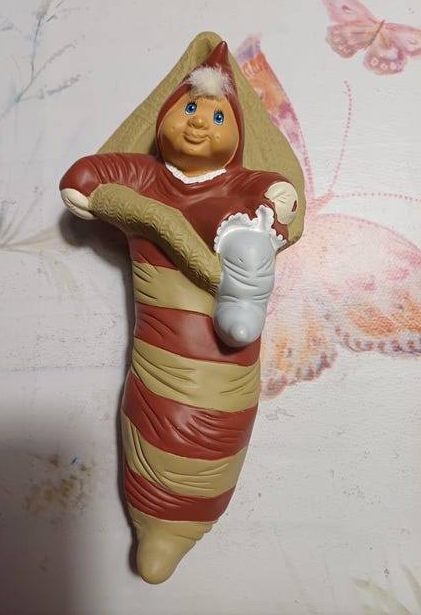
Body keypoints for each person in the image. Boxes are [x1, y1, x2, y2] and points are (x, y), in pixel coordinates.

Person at [60, 40, 299, 583]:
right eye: (189, 108)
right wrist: (85, 186)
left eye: (217, 117)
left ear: (238, 138)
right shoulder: (149, 178)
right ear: (164, 115)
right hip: (162, 362)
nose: (198, 123)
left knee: (247, 237)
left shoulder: (237, 183)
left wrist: (279, 197)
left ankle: (243, 287)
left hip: (227, 347)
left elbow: (272, 189)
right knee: (163, 418)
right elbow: (95, 171)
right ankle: (159, 518)